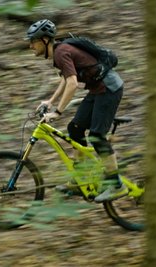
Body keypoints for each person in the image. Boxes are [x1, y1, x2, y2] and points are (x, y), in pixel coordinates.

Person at [25, 19, 127, 202]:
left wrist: (58, 112)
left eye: (33, 40)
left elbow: (72, 84)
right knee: (75, 129)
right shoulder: (60, 52)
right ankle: (81, 179)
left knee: (96, 136)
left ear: (46, 40)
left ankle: (116, 185)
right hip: (98, 89)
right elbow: (66, 78)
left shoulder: (61, 52)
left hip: (109, 89)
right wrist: (51, 101)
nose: (30, 46)